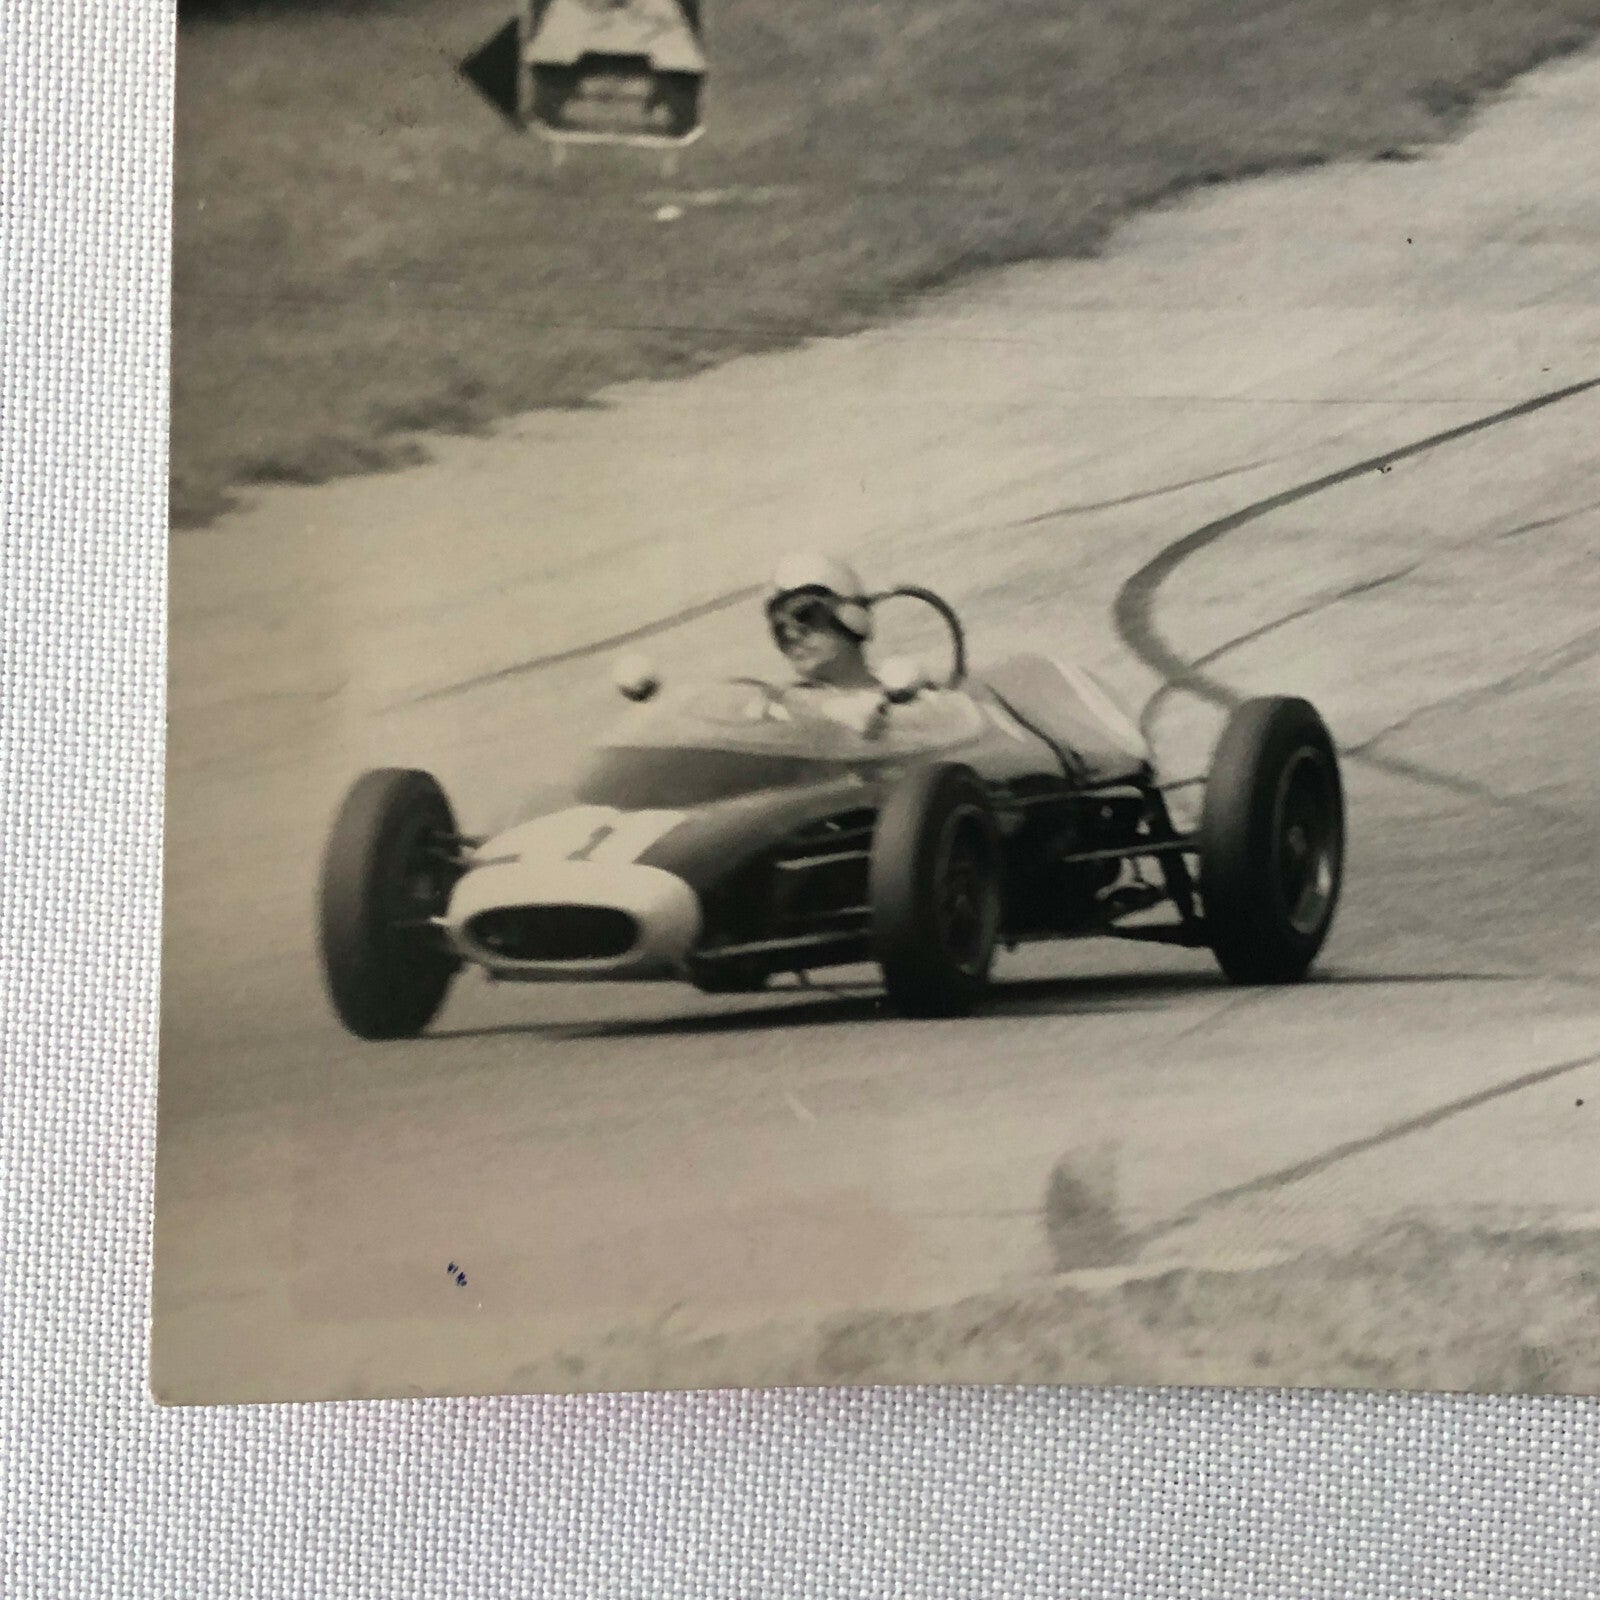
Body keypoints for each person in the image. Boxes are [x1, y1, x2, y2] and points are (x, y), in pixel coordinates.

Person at [763, 552, 890, 738]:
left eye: (805, 615)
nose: (791, 634)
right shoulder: (777, 706)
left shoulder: (909, 688)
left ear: (850, 615)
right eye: (779, 629)